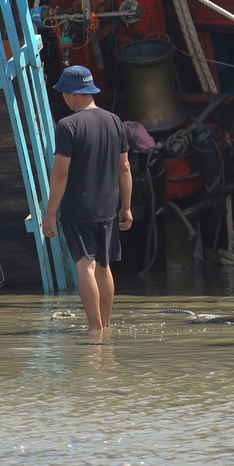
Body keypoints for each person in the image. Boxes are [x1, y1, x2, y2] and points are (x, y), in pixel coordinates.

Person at [42, 65, 133, 332]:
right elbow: (124, 168)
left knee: (85, 265)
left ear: (72, 94)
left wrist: (50, 213)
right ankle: (105, 327)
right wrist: (126, 207)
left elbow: (60, 172)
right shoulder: (114, 121)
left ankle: (94, 330)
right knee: (104, 267)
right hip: (108, 207)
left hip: (77, 208)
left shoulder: (67, 126)